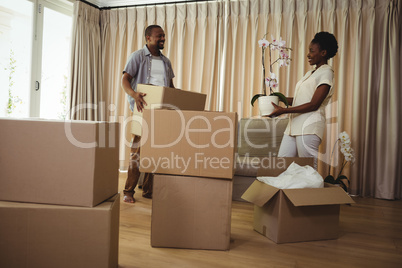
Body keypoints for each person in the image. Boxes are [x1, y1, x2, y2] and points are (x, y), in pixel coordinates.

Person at [122, 25, 175, 203]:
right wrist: (134, 94)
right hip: (142, 110)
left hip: (161, 111)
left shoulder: (166, 62)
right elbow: (125, 79)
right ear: (148, 38)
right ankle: (128, 191)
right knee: (137, 152)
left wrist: (178, 100)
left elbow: (171, 86)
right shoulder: (137, 56)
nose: (162, 39)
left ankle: (148, 190)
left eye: (164, 36)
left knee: (156, 152)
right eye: (159, 36)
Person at [268, 32, 338, 167]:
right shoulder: (310, 73)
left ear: (323, 53)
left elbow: (314, 104)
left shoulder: (327, 73)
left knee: (308, 169)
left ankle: (311, 189)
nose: (308, 54)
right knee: (281, 166)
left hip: (309, 127)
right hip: (293, 126)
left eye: (311, 51)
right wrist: (279, 97)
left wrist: (284, 110)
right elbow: (300, 100)